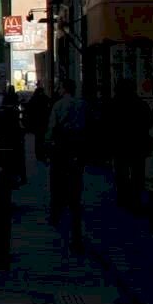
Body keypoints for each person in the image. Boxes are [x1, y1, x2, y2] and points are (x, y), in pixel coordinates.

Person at [47, 77, 88, 253]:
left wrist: (48, 144)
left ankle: (57, 212)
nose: (57, 89)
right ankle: (74, 207)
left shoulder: (58, 105)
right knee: (75, 183)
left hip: (62, 147)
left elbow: (52, 128)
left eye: (59, 86)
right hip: (78, 147)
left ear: (64, 88)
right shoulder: (82, 105)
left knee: (57, 182)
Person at [111, 79, 153, 210]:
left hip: (120, 144)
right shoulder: (141, 104)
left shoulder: (114, 104)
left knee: (121, 171)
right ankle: (136, 198)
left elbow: (107, 124)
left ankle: (123, 197)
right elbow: (149, 121)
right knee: (138, 172)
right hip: (138, 143)